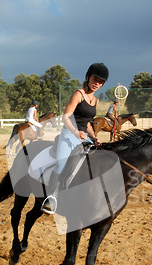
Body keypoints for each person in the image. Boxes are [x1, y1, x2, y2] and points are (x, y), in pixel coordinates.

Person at [41, 63, 107, 214]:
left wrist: (93, 137)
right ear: (87, 77)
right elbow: (65, 117)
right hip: (69, 134)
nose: (97, 83)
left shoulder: (95, 100)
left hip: (85, 137)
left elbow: (88, 123)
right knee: (61, 164)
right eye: (95, 79)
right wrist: (76, 133)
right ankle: (51, 198)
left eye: (101, 82)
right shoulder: (78, 94)